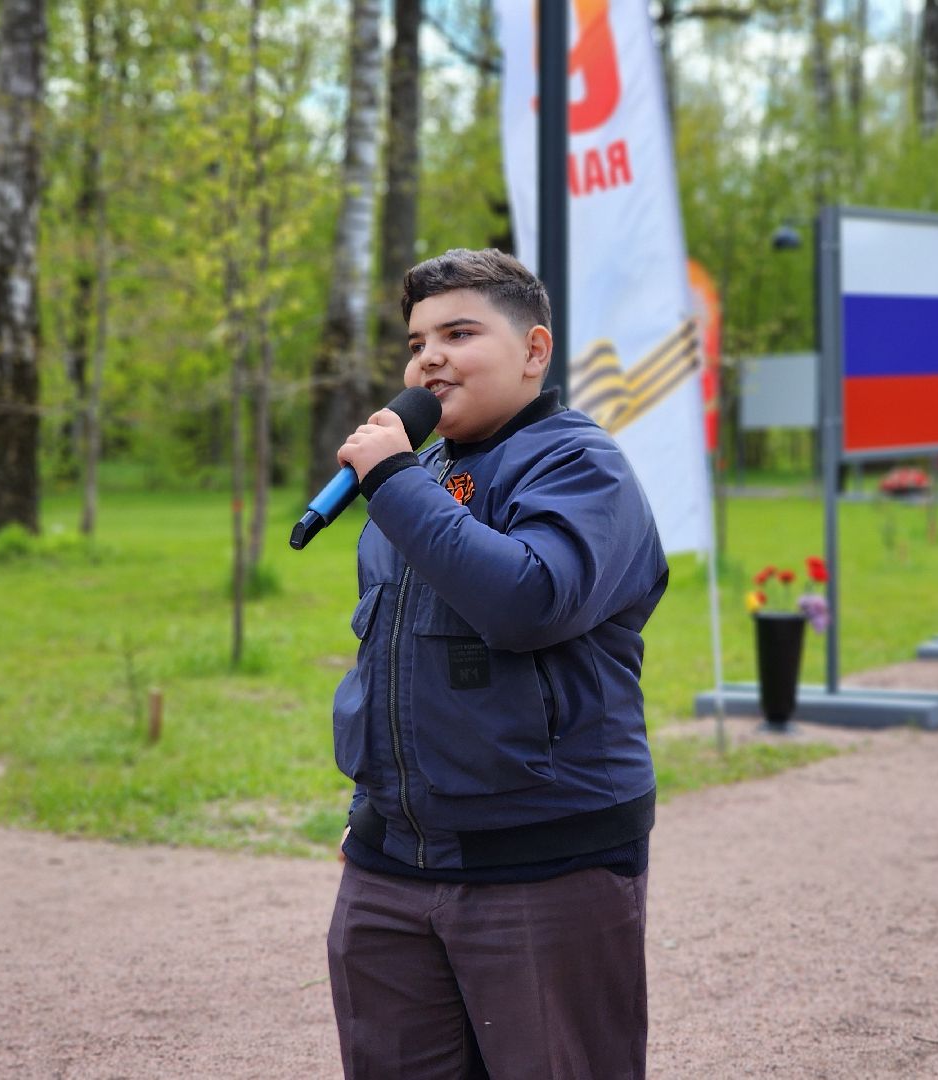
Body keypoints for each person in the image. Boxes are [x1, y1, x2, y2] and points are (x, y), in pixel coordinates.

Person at [326, 247, 668, 1079]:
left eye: (459, 331)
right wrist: (378, 810)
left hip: (543, 867)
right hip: (393, 866)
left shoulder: (581, 465)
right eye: (415, 342)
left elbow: (526, 600)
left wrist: (397, 481)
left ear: (534, 350)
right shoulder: (422, 476)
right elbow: (397, 667)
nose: (429, 357)